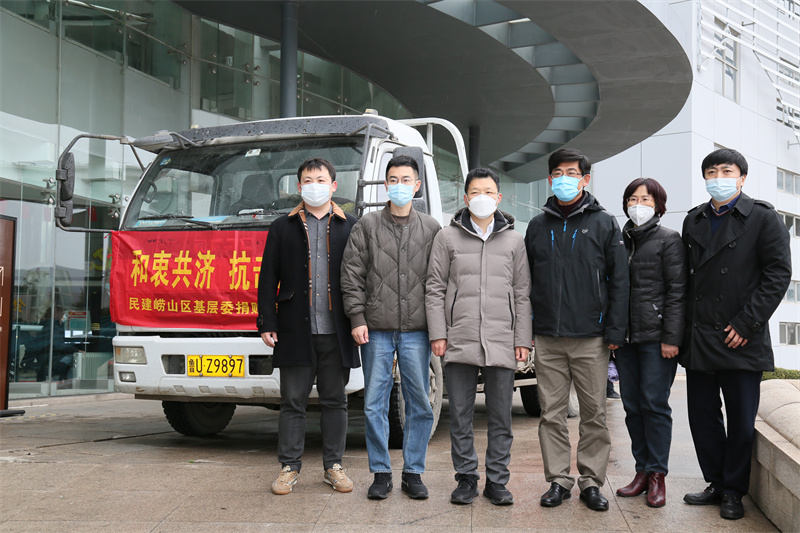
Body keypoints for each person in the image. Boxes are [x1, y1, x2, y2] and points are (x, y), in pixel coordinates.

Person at [681, 148, 791, 520]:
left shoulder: (763, 218)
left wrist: (746, 324)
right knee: (702, 417)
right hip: (700, 337)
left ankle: (734, 490)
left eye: (726, 171)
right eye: (711, 171)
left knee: (741, 420)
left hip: (741, 335)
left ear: (742, 177)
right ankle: (715, 482)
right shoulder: (694, 219)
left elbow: (778, 275)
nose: (718, 177)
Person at [524, 148, 628, 512]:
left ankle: (591, 482)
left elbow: (619, 281)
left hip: (591, 337)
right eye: (558, 173)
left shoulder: (603, 222)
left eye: (572, 172)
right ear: (550, 179)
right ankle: (557, 480)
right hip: (549, 338)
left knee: (594, 414)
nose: (564, 178)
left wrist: (615, 331)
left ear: (585, 179)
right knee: (550, 414)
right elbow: (526, 283)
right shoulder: (538, 225)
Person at [426, 167, 532, 506]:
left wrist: (522, 339)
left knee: (501, 415)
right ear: (466, 196)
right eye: (475, 192)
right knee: (460, 414)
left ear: (498, 197)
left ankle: (497, 481)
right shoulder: (446, 237)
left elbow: (522, 292)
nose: (481, 197)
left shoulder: (515, 240)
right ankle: (467, 478)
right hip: (459, 336)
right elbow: (434, 288)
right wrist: (439, 333)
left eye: (488, 191)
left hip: (502, 338)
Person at [341, 155, 441, 500]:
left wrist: (439, 328)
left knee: (420, 403)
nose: (400, 186)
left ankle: (413, 471)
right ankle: (380, 472)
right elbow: (351, 275)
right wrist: (356, 318)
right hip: (376, 329)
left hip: (417, 329)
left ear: (417, 185)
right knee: (374, 403)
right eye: (393, 180)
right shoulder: (366, 226)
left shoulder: (431, 228)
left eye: (406, 180)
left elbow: (440, 281)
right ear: (386, 185)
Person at [257, 157, 359, 495]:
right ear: (299, 187)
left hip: (337, 330)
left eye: (320, 180)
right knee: (293, 402)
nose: (313, 185)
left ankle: (334, 466)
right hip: (294, 329)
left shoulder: (350, 226)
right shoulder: (281, 227)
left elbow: (360, 278)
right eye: (307, 180)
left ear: (333, 186)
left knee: (334, 401)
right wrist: (266, 321)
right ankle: (289, 467)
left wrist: (360, 320)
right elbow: (268, 277)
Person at [614, 178, 687, 508]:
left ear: (658, 204)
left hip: (657, 340)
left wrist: (672, 337)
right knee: (632, 406)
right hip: (627, 340)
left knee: (654, 404)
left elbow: (677, 292)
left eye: (645, 198)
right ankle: (641, 471)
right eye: (632, 198)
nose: (637, 204)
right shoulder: (620, 240)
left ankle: (657, 475)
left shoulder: (669, 239)